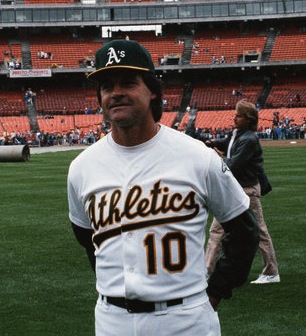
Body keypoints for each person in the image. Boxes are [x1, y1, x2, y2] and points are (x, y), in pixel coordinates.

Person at [67, 40, 259, 336]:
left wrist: (217, 290)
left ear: (153, 89)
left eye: (128, 83)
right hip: (111, 321)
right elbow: (87, 239)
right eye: (107, 86)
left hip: (184, 320)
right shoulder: (82, 167)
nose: (116, 93)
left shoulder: (197, 156)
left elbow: (245, 230)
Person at [205, 99, 280, 284]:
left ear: (247, 119)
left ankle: (271, 272)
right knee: (217, 230)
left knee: (259, 232)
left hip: (246, 190)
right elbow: (226, 143)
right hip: (235, 189)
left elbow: (234, 165)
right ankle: (207, 271)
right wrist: (210, 143)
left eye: (238, 115)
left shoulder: (249, 139)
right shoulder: (238, 134)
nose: (234, 117)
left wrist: (216, 158)